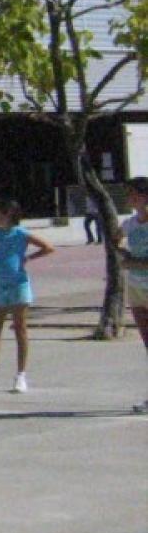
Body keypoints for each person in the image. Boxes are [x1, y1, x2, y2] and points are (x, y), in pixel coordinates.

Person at [0, 199, 54, 393]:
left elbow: (48, 247)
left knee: (20, 329)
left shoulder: (20, 233)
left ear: (9, 215)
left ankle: (20, 375)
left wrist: (28, 258)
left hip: (19, 284)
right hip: (0, 286)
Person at [115, 177, 148, 414]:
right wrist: (122, 253)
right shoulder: (130, 224)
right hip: (137, 289)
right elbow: (114, 239)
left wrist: (133, 262)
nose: (129, 198)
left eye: (133, 193)